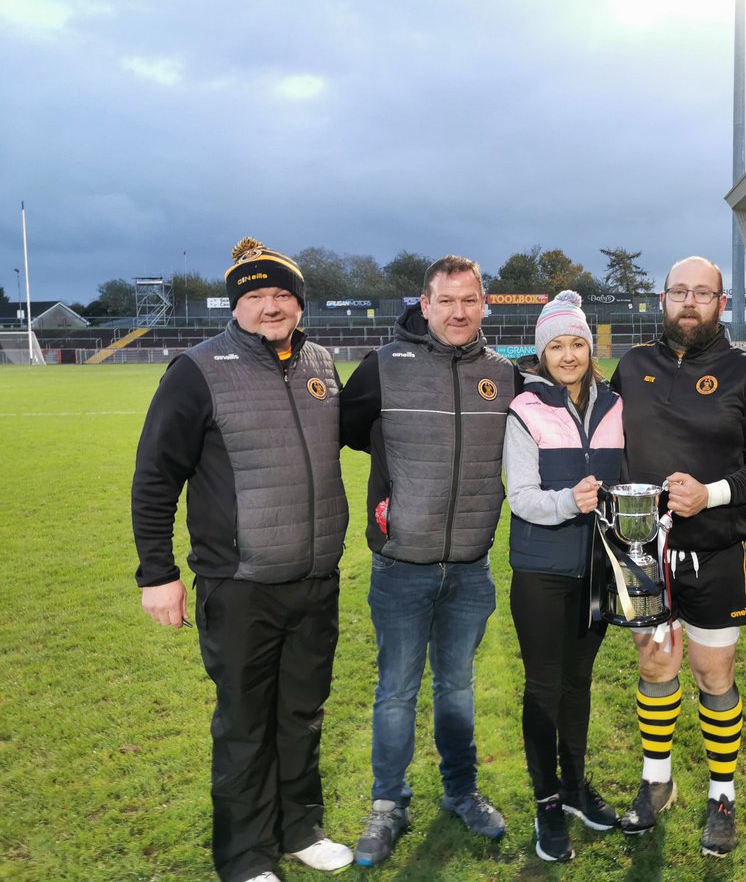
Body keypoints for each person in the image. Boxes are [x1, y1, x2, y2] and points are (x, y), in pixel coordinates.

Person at [132, 238, 351, 882]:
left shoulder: (320, 361)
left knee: (303, 712)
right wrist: (157, 573)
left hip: (314, 578)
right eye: (255, 296)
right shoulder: (196, 369)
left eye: (282, 294)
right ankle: (244, 858)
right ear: (237, 305)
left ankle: (300, 828)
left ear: (300, 303)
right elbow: (155, 477)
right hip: (239, 585)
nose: (270, 306)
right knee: (244, 726)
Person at [339, 254, 519, 867]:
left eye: (470, 300)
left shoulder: (503, 373)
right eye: (447, 301)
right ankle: (388, 805)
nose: (459, 312)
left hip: (470, 566)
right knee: (395, 691)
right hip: (401, 566)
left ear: (485, 303)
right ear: (424, 303)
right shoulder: (382, 368)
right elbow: (337, 429)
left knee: (458, 689)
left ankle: (461, 793)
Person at [610, 256, 746, 857]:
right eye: (679, 292)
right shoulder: (632, 367)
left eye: (703, 293)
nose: (690, 302)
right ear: (662, 299)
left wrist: (709, 495)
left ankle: (723, 794)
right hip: (642, 555)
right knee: (656, 669)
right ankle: (658, 783)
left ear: (722, 301)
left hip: (715, 552)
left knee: (714, 675)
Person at [504, 291, 624, 862]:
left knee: (580, 683)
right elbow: (522, 497)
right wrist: (568, 503)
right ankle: (547, 802)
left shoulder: (617, 405)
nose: (569, 354)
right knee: (545, 685)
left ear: (589, 347)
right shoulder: (525, 410)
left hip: (597, 569)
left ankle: (575, 787)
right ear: (542, 352)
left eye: (577, 343)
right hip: (541, 571)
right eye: (557, 345)